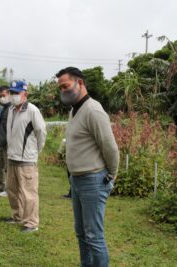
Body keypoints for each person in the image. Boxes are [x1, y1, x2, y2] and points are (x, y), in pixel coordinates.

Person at [56, 67, 119, 267]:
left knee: (94, 236)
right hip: (77, 180)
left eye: (65, 86)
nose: (63, 91)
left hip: (93, 180)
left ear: (80, 83)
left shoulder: (93, 110)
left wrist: (112, 175)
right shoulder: (74, 110)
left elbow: (110, 147)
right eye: (60, 88)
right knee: (82, 233)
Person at [4, 80, 47, 233]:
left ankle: (31, 223)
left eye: (17, 93)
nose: (13, 96)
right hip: (12, 157)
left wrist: (35, 151)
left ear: (25, 94)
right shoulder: (10, 110)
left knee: (28, 192)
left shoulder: (32, 111)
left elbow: (41, 133)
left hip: (26, 159)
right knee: (12, 190)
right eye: (12, 93)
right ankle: (17, 216)